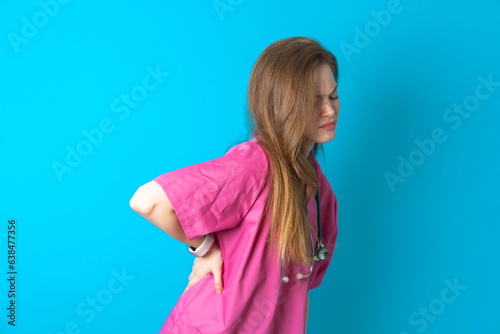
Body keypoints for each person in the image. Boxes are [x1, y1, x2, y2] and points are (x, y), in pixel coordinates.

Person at [130, 36, 339, 334]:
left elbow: (301, 289)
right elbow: (148, 200)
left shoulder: (320, 193)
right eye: (314, 100)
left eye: (332, 96)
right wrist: (206, 249)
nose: (329, 111)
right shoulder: (255, 165)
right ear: (282, 105)